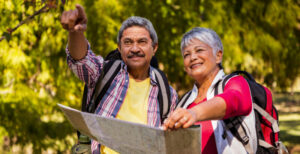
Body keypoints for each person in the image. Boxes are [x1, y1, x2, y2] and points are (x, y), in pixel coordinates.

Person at [60, 4, 178, 154]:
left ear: (154, 48)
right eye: (128, 42)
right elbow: (81, 62)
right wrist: (75, 32)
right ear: (119, 48)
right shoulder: (104, 73)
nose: (135, 48)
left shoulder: (168, 94)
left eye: (142, 42)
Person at [163, 27, 257, 154]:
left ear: (218, 56)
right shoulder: (184, 103)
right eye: (186, 54)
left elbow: (233, 100)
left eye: (199, 50)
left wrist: (194, 113)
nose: (193, 57)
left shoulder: (236, 83)